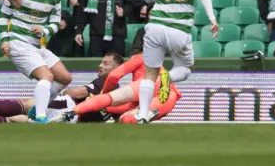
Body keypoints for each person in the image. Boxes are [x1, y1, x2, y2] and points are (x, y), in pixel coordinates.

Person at [136, 0, 217, 123]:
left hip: (155, 26)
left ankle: (143, 114)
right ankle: (169, 78)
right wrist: (212, 18)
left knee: (149, 73)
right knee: (186, 68)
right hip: (179, 28)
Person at [0, 52, 123, 123]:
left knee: (28, 103)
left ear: (116, 69)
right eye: (101, 62)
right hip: (71, 120)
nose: (100, 66)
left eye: (106, 63)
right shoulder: (120, 94)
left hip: (68, 107)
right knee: (15, 120)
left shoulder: (106, 81)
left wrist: (65, 91)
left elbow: (79, 92)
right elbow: (119, 117)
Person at [0, 0, 71, 123]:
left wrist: (44, 30)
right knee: (46, 76)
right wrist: (4, 39)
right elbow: (4, 14)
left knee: (65, 78)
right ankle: (40, 117)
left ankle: (34, 110)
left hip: (36, 46)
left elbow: (55, 23)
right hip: (18, 42)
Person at [50, 52, 180, 124]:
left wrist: (103, 97)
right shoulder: (159, 66)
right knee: (126, 118)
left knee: (111, 101)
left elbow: (113, 76)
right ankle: (143, 116)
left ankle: (73, 111)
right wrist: (106, 108)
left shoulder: (139, 58)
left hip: (149, 84)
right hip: (169, 96)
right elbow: (128, 107)